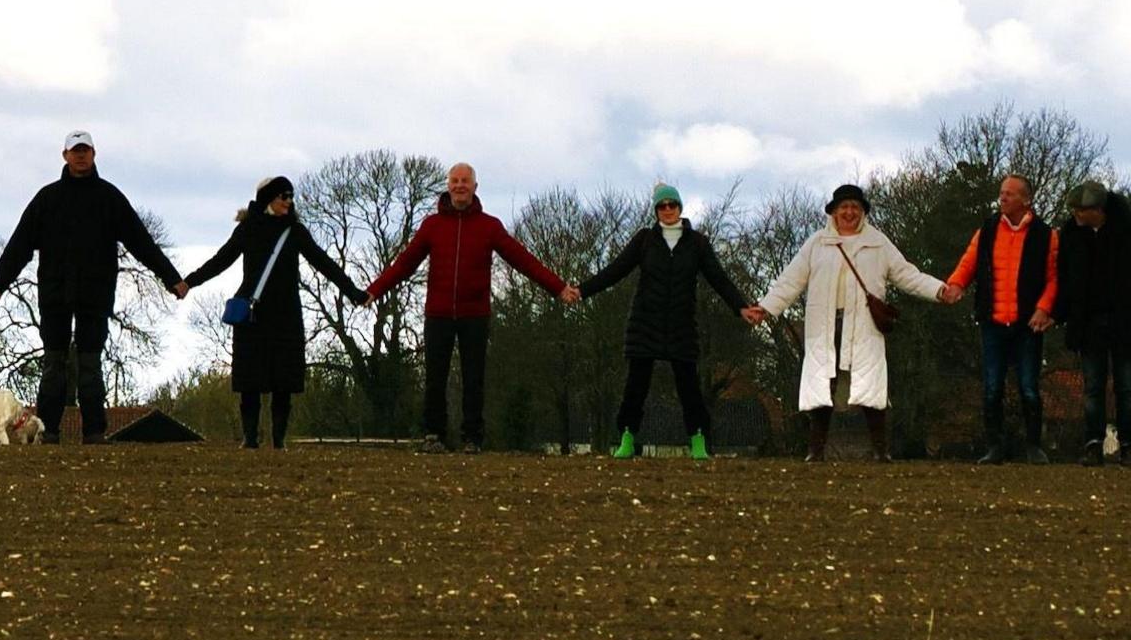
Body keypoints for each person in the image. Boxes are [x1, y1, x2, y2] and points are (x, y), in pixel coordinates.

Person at [0, 131, 188, 444]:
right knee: (54, 364)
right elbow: (19, 246)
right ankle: (47, 431)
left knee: (91, 363)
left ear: (94, 154)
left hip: (96, 294)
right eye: (75, 151)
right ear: (64, 155)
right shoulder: (47, 199)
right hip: (54, 293)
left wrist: (172, 278)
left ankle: (94, 432)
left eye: (85, 150)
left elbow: (141, 242)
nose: (80, 156)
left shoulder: (110, 198)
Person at [366, 162, 578, 454]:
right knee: (435, 377)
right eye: (455, 181)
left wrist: (558, 287)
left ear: (475, 187)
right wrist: (374, 291)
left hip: (475, 314)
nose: (460, 185)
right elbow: (404, 264)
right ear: (448, 186)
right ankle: (433, 435)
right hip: (438, 313)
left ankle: (472, 438)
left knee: (474, 378)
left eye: (465, 181)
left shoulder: (489, 227)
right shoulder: (432, 226)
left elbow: (522, 259)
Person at [746, 184, 957, 462]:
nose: (849, 212)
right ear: (833, 212)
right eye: (843, 207)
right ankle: (815, 451)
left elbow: (907, 274)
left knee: (871, 387)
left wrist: (939, 289)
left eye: (855, 207)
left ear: (863, 212)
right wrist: (766, 307)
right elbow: (790, 280)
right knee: (824, 384)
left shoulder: (878, 243)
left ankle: (881, 451)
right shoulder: (817, 244)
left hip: (864, 326)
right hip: (825, 325)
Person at [183, 176, 368, 449]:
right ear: (269, 198)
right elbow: (221, 260)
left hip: (286, 313)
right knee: (250, 380)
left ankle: (279, 440)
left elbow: (324, 263)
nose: (289, 202)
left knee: (284, 380)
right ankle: (250, 438)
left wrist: (354, 292)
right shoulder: (249, 228)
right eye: (284, 196)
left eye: (291, 197)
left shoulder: (294, 231)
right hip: (252, 312)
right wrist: (189, 281)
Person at [575, 184, 752, 460]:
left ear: (680, 207)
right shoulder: (645, 240)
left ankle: (697, 440)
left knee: (689, 387)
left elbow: (718, 278)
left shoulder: (698, 243)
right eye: (662, 206)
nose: (668, 210)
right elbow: (616, 270)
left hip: (682, 324)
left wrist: (741, 306)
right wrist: (582, 290)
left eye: (672, 205)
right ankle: (627, 438)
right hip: (645, 322)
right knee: (635, 386)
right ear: (656, 210)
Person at [943, 174, 1060, 465]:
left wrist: (1044, 308)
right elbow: (969, 261)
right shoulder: (988, 229)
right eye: (1001, 193)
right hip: (993, 320)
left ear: (1026, 200)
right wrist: (956, 284)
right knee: (992, 386)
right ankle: (994, 446)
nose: (1003, 198)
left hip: (1027, 324)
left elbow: (1055, 277)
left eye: (1009, 193)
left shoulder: (1046, 235)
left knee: (1029, 387)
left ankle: (1033, 446)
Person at [1054, 181, 1131, 467]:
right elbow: (1065, 278)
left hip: (1125, 320)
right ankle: (1093, 443)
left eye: (1080, 210)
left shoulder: (1125, 231)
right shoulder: (1072, 234)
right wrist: (1059, 313)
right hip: (1089, 322)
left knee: (1126, 386)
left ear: (1097, 211)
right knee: (1093, 386)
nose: (1075, 214)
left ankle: (1127, 444)